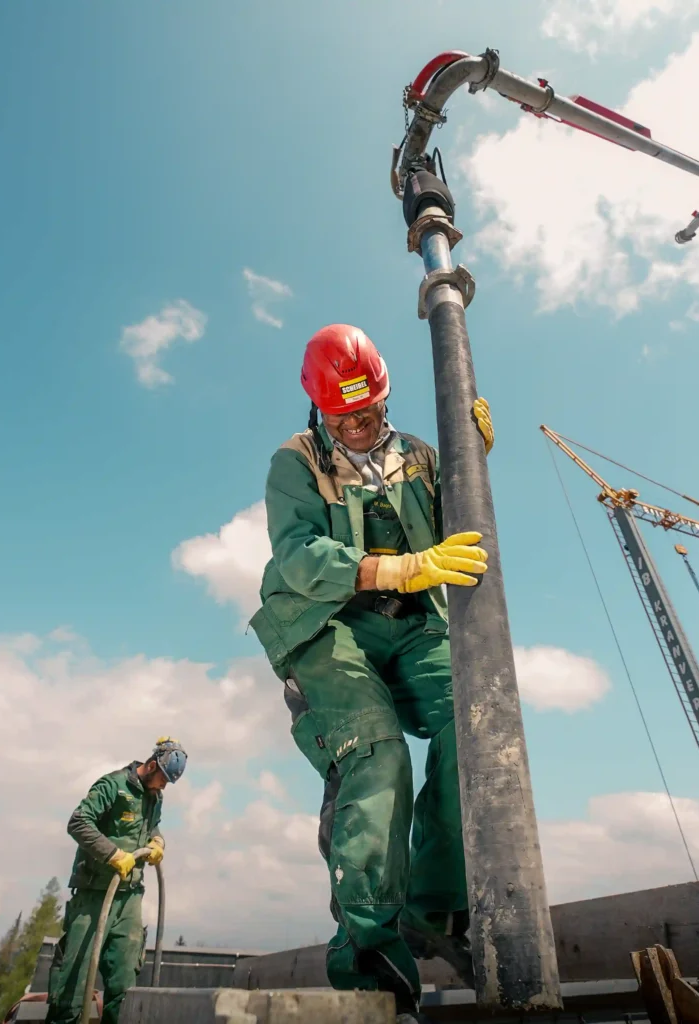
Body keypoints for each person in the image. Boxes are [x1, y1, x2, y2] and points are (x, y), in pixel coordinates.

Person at [249, 324, 493, 1022]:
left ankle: (435, 908)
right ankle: (368, 948)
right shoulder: (293, 461)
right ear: (318, 411)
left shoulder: (417, 454)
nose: (359, 426)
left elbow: (460, 521)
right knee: (378, 755)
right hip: (330, 626)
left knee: (476, 732)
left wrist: (471, 459)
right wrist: (394, 567)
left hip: (414, 625)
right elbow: (295, 554)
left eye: (371, 411)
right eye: (344, 416)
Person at [45, 738, 187, 1024]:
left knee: (125, 985)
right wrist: (112, 855)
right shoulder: (112, 786)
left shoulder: (154, 796)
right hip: (94, 897)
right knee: (74, 983)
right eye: (162, 779)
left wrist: (157, 839)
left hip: (129, 899)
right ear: (151, 765)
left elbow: (150, 825)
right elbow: (78, 822)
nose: (164, 786)